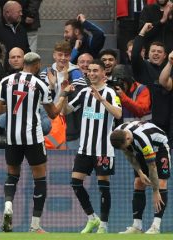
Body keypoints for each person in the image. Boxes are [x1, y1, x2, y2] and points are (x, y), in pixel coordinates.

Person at [0, 52, 73, 233]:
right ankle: (35, 225)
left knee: (12, 175)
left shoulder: (6, 81)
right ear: (36, 65)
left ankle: (8, 205)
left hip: (12, 137)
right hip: (33, 137)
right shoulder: (40, 84)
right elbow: (53, 114)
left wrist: (14, 105)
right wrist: (63, 95)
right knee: (40, 178)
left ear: (23, 63)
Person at [63, 59, 122, 233]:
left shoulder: (110, 93)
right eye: (89, 70)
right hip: (85, 148)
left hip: (103, 149)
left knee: (103, 186)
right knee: (75, 183)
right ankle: (92, 218)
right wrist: (64, 94)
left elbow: (118, 113)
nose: (92, 73)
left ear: (104, 73)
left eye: (96, 70)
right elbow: (65, 111)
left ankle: (103, 224)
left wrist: (102, 99)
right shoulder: (84, 92)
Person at [110, 121, 170, 234]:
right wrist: (140, 172)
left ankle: (155, 227)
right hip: (140, 150)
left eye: (125, 146)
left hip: (159, 148)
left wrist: (156, 191)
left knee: (161, 184)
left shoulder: (143, 140)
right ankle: (137, 227)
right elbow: (130, 156)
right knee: (138, 182)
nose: (124, 149)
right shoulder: (117, 134)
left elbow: (152, 166)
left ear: (127, 138)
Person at [39, 41, 86, 150]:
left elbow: (78, 100)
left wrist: (66, 81)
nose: (63, 58)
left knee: (69, 156)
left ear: (70, 56)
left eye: (66, 55)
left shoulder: (77, 74)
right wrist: (51, 86)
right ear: (54, 55)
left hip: (70, 122)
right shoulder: (46, 73)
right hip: (49, 120)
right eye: (60, 54)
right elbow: (41, 100)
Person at [132, 23, 172, 146]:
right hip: (147, 120)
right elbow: (134, 54)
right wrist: (142, 32)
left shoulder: (169, 69)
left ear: (165, 55)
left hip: (167, 120)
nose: (155, 53)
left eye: (159, 52)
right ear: (148, 54)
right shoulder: (142, 67)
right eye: (153, 51)